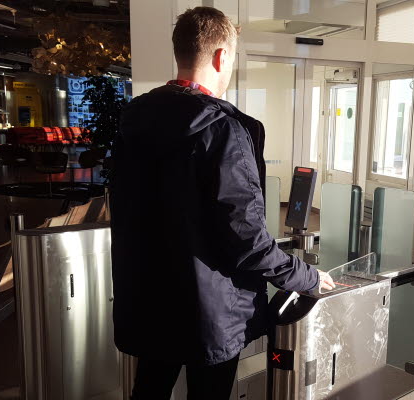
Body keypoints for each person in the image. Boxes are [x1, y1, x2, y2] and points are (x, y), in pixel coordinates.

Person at [110, 7, 334, 399]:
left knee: (148, 389)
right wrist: (308, 277)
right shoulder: (224, 130)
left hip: (147, 299)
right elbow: (246, 239)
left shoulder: (134, 122)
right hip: (209, 311)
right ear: (220, 56)